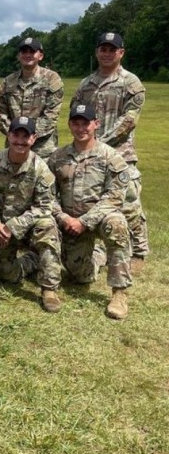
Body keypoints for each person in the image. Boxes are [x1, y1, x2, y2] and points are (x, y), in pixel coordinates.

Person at [71, 32, 148, 273]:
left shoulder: (131, 83)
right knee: (94, 200)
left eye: (112, 49)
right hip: (91, 155)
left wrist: (100, 143)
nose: (106, 53)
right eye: (102, 49)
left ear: (121, 53)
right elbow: (75, 114)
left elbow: (129, 120)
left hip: (121, 153)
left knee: (129, 202)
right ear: (97, 52)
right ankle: (99, 249)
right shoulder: (86, 84)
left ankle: (138, 250)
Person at [48, 104, 132, 320]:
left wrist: (85, 221)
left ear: (96, 124)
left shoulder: (110, 157)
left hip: (101, 218)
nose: (81, 128)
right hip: (70, 223)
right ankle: (99, 255)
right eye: (76, 123)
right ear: (69, 125)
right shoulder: (58, 158)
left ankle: (119, 293)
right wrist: (64, 218)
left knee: (117, 225)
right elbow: (47, 195)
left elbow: (114, 197)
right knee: (80, 276)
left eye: (86, 123)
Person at [0, 116, 62, 312]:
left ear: (33, 138)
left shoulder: (41, 169)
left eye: (25, 136)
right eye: (15, 135)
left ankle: (49, 289)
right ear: (8, 135)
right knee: (6, 275)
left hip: (28, 227)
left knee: (47, 226)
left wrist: (14, 226)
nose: (20, 140)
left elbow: (45, 206)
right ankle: (32, 261)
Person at [0, 37, 64, 159]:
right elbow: (0, 113)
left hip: (43, 149)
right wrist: (16, 136)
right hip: (14, 147)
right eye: (24, 51)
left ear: (40, 55)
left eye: (32, 52)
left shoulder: (52, 79)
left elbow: (51, 115)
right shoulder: (8, 82)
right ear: (18, 56)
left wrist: (29, 136)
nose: (27, 55)